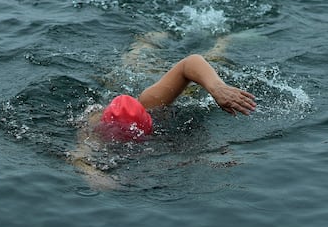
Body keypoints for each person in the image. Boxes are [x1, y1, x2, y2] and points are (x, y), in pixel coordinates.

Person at [70, 34, 256, 184]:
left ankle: (223, 39)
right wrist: (96, 178)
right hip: (133, 88)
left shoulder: (151, 103)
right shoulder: (93, 125)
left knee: (212, 59)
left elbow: (191, 63)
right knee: (130, 65)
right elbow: (80, 158)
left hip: (155, 86)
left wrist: (217, 88)